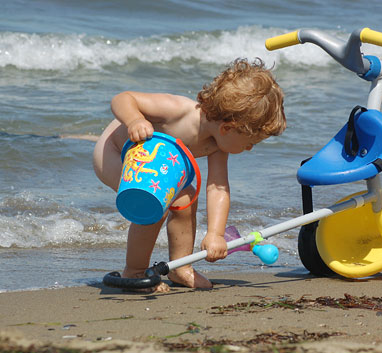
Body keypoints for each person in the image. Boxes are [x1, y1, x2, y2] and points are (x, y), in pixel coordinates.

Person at [93, 58, 286, 291]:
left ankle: (180, 268)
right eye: (250, 142)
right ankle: (134, 271)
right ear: (228, 128)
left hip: (154, 165)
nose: (250, 148)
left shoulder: (217, 143)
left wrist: (215, 234)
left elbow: (218, 188)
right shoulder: (179, 110)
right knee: (155, 200)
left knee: (185, 198)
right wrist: (135, 120)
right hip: (114, 154)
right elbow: (123, 99)